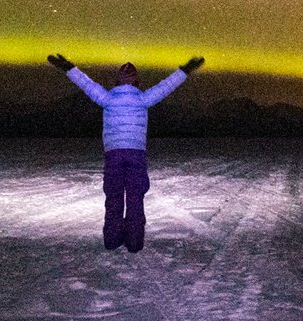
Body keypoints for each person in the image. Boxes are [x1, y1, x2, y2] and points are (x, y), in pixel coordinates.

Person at [47, 53, 205, 252]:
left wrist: (68, 67)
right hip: (136, 154)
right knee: (135, 199)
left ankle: (113, 241)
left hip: (113, 154)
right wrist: (185, 70)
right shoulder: (143, 98)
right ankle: (134, 242)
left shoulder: (107, 98)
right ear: (136, 80)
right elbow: (167, 86)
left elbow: (86, 84)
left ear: (118, 80)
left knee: (113, 197)